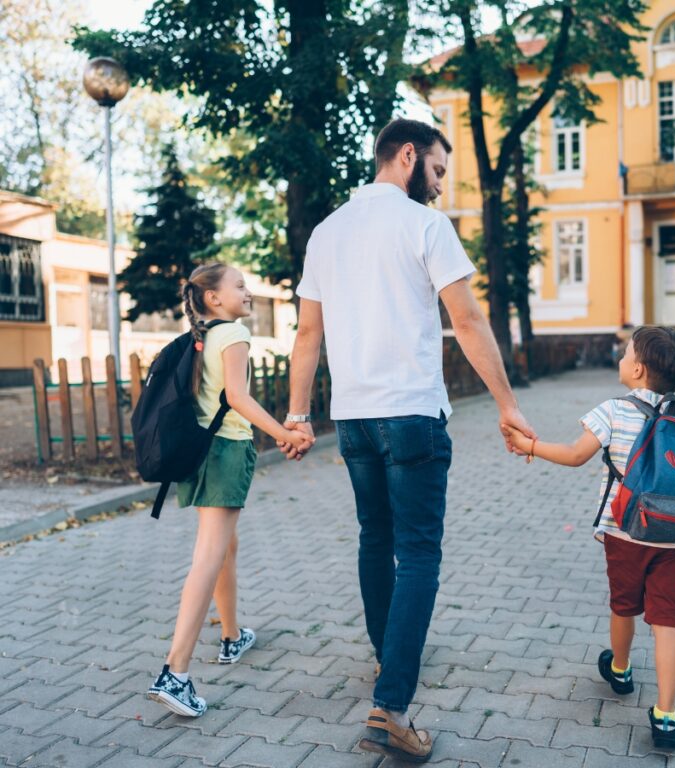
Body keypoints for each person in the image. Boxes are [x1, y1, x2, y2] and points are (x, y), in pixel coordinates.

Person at [281, 118, 535, 762]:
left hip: (356, 420)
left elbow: (307, 335)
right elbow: (469, 320)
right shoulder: (425, 226)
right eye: (440, 171)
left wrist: (298, 414)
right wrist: (508, 406)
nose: (442, 186)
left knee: (377, 537)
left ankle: (388, 654)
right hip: (414, 416)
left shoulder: (326, 231)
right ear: (407, 155)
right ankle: (391, 706)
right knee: (418, 553)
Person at [504, 326, 675, 751]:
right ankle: (667, 716)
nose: (620, 359)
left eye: (624, 353)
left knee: (624, 606)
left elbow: (575, 455)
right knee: (668, 623)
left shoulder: (613, 411)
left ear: (636, 369)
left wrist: (530, 445)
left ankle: (619, 669)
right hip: (674, 537)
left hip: (625, 532)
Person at [146, 263, 314, 717]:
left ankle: (231, 635)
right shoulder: (234, 336)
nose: (248, 290)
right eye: (238, 285)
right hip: (226, 452)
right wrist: (285, 432)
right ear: (213, 298)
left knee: (225, 548)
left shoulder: (204, 337)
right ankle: (175, 671)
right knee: (208, 555)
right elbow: (238, 398)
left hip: (199, 453)